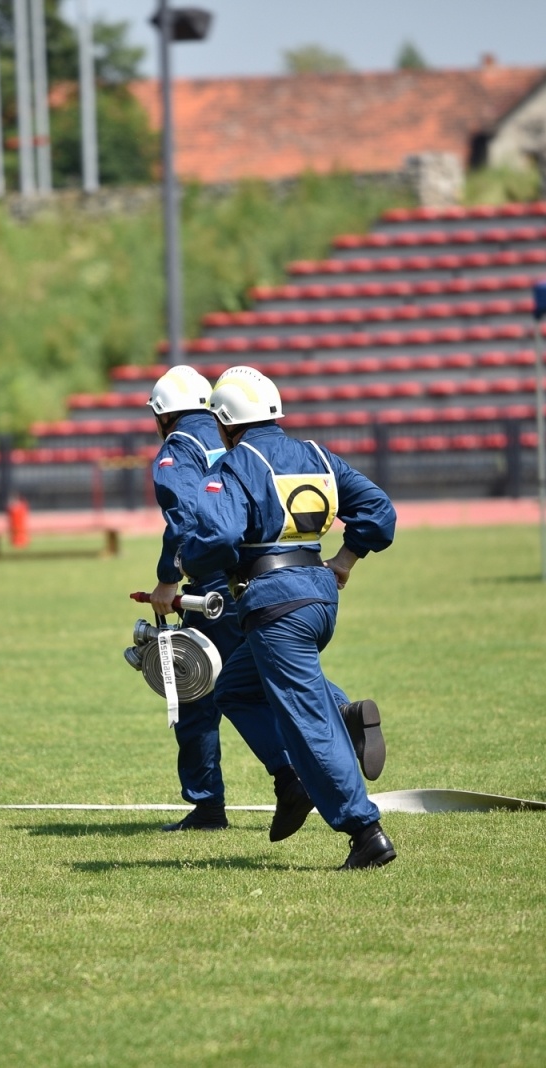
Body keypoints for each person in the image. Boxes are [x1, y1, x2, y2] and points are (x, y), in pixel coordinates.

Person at [178, 365, 398, 869]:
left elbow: (219, 537)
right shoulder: (318, 454)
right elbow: (379, 512)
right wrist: (345, 559)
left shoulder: (235, 464)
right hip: (320, 596)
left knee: (306, 722)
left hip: (275, 605)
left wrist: (189, 563)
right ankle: (304, 762)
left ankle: (365, 831)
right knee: (233, 687)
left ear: (226, 422)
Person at [145, 366, 315, 839]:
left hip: (212, 589)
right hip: (263, 576)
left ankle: (209, 805)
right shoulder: (234, 438)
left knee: (201, 693)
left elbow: (184, 523)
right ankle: (342, 715)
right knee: (274, 670)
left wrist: (166, 579)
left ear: (162, 415)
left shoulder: (178, 449)